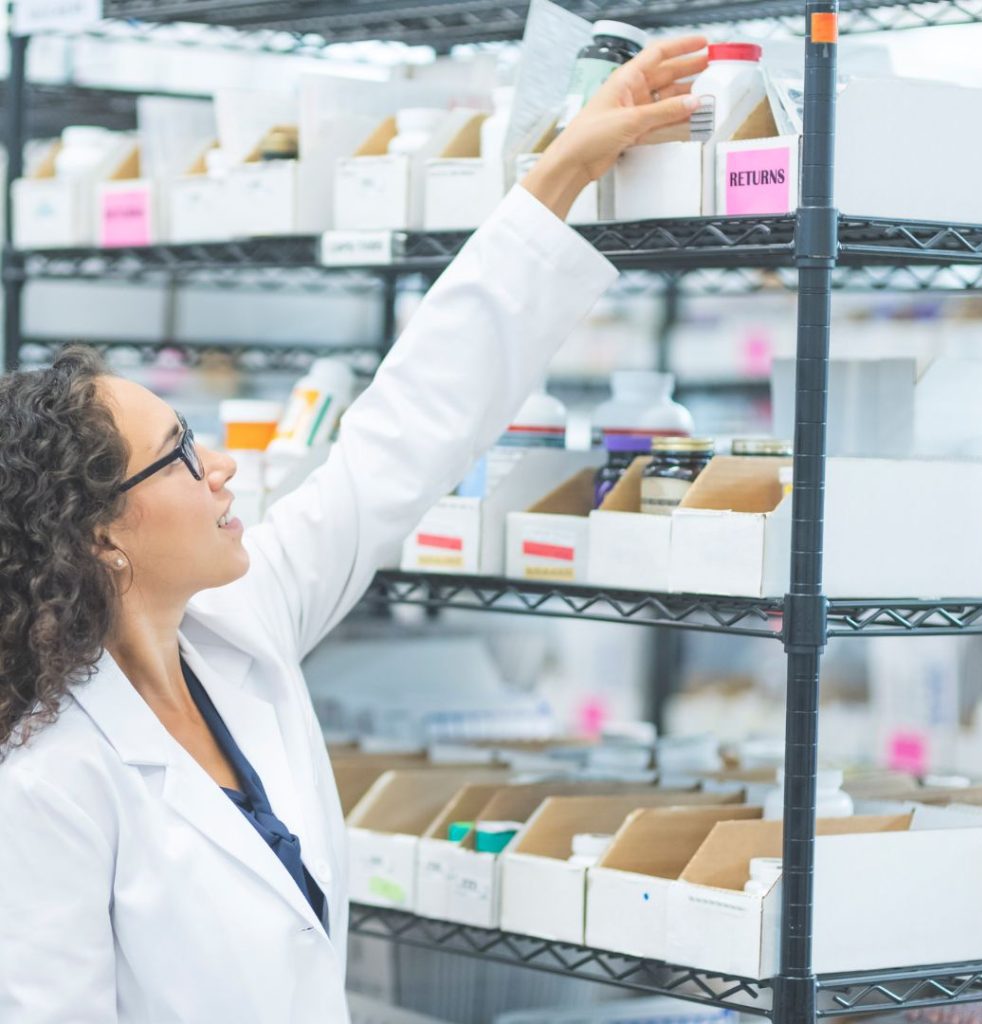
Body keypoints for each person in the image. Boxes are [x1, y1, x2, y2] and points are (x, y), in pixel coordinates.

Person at [0, 37, 708, 1024]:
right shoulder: (45, 782)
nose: (222, 466)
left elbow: (402, 433)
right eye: (176, 455)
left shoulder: (236, 632)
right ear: (97, 537)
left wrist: (564, 169)